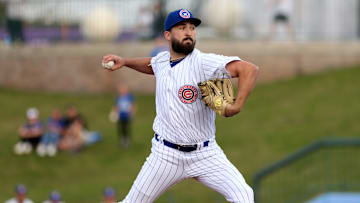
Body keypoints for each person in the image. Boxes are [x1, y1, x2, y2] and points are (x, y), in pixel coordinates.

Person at [102, 8, 259, 203]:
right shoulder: (161, 60)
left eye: (192, 28)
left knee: (244, 196)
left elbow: (249, 69)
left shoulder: (203, 62)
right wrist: (125, 61)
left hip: (206, 154)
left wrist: (237, 105)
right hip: (165, 155)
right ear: (168, 35)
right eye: (182, 27)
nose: (189, 32)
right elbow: (151, 64)